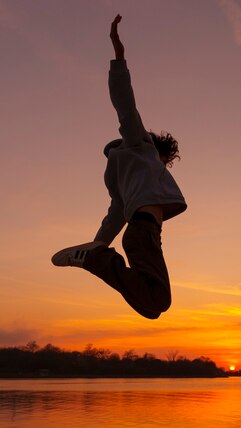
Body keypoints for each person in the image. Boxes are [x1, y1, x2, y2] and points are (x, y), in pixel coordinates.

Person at [51, 15, 187, 319]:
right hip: (142, 232)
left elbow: (114, 216)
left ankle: (93, 256)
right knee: (157, 301)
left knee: (152, 305)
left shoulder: (121, 179)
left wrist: (97, 242)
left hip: (143, 233)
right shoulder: (139, 146)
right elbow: (126, 106)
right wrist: (119, 58)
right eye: (165, 162)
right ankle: (96, 259)